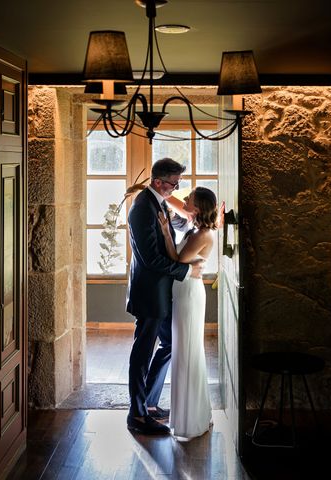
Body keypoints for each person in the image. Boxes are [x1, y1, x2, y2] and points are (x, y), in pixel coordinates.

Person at [126, 158, 204, 435]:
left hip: (162, 291)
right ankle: (136, 415)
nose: (177, 188)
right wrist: (186, 270)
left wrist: (202, 223)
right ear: (158, 182)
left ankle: (149, 402)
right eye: (174, 183)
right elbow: (149, 259)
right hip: (149, 291)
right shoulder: (142, 209)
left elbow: (173, 231)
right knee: (142, 351)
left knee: (169, 343)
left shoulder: (157, 202)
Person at [158, 187, 217, 440]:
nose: (184, 200)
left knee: (187, 353)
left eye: (189, 198)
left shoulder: (202, 234)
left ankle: (190, 420)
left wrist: (165, 233)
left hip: (189, 295)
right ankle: (193, 414)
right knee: (186, 352)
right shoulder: (195, 230)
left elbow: (177, 261)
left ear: (199, 206)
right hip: (184, 292)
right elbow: (183, 261)